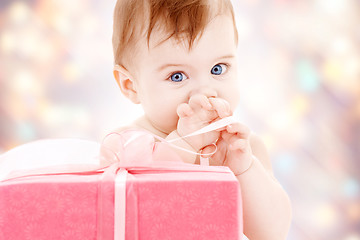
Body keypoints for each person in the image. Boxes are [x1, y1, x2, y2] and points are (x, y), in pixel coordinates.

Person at [102, 0, 292, 239]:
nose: (205, 92)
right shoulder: (124, 146)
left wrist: (244, 169)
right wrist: (184, 145)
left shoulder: (245, 148)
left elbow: (271, 232)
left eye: (218, 69)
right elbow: (141, 214)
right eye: (177, 76)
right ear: (131, 85)